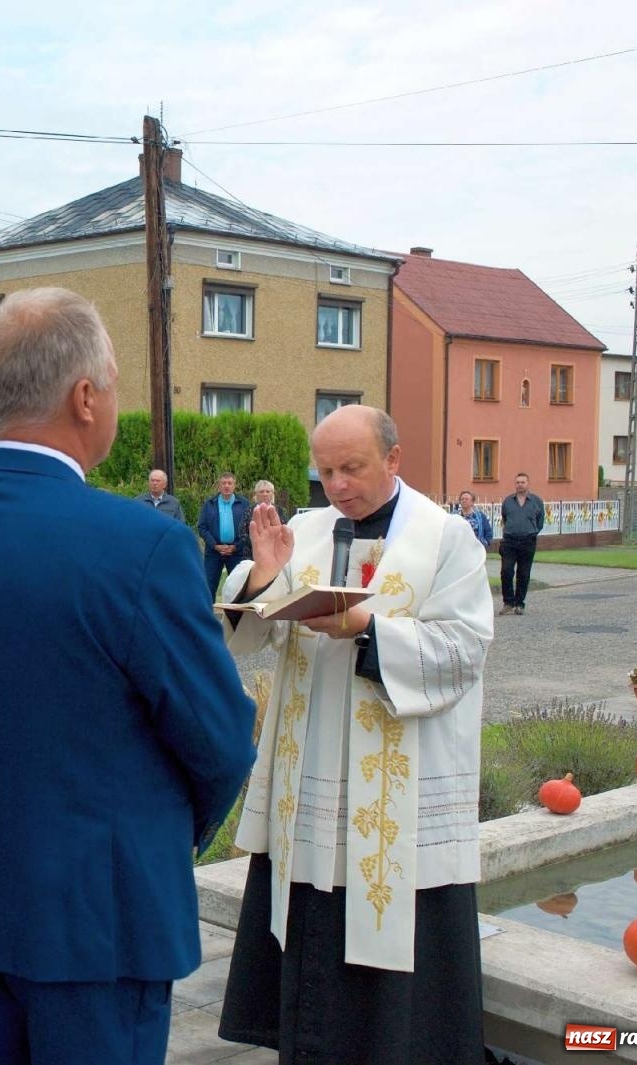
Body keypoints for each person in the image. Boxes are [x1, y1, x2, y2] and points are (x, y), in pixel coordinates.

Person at [0, 287, 256, 1065]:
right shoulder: (142, 546)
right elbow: (223, 740)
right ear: (85, 398)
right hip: (103, 924)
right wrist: (160, 839)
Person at [215, 405, 494, 1065]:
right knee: (313, 938)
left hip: (398, 785)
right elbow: (250, 631)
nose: (336, 484)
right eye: (326, 470)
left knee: (397, 976)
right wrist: (262, 573)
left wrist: (369, 628)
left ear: (394, 459)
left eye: (352, 468)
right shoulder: (306, 530)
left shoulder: (446, 537)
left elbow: (463, 647)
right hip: (313, 776)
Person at [198, 473, 252, 595]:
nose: (226, 486)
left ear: (234, 485)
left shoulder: (244, 504)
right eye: (224, 483)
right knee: (208, 586)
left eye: (229, 483)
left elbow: (249, 529)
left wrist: (236, 546)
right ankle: (208, 613)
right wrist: (215, 545)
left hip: (236, 552)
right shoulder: (209, 504)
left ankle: (237, 614)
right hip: (213, 553)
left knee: (238, 588)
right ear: (219, 485)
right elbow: (202, 527)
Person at [499, 473, 545, 615]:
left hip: (528, 541)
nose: (520, 485)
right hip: (510, 541)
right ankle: (508, 602)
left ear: (528, 483)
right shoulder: (508, 501)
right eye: (517, 482)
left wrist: (531, 532)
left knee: (523, 573)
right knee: (506, 571)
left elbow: (540, 521)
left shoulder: (536, 501)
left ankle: (520, 603)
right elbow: (505, 518)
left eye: (523, 482)